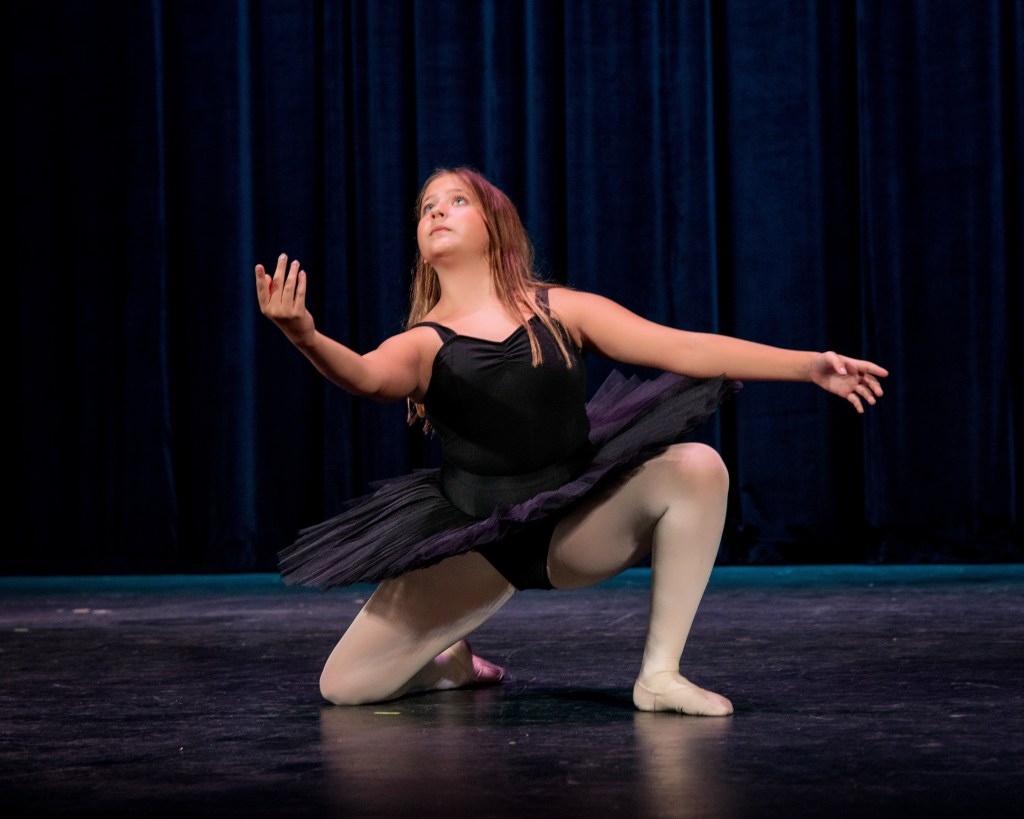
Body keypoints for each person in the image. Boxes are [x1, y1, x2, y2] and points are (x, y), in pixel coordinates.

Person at [254, 166, 887, 716]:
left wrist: (807, 364)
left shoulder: (562, 311)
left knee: (697, 465)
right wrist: (305, 336)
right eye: (426, 208)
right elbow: (366, 376)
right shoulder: (423, 343)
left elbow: (685, 347)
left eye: (456, 201)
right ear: (421, 247)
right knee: (345, 688)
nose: (436, 212)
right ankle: (450, 664)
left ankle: (659, 676)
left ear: (496, 226)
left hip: (575, 524)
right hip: (479, 541)